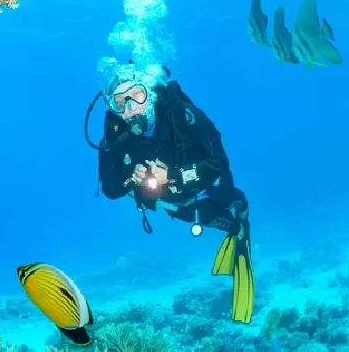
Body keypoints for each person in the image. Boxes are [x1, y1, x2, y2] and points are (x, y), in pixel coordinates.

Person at [84, 63, 254, 324]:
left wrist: (173, 175)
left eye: (136, 96)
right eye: (120, 103)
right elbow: (110, 188)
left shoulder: (182, 114)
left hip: (207, 179)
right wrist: (132, 179)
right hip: (171, 200)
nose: (131, 109)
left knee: (226, 196)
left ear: (149, 93)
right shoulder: (114, 138)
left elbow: (218, 162)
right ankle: (235, 228)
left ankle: (241, 208)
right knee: (205, 217)